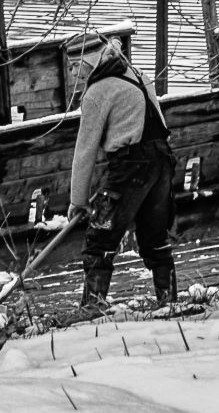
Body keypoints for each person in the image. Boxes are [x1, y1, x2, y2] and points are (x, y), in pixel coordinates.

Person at [63, 40, 177, 309]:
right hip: (162, 162)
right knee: (155, 238)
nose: (71, 74)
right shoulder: (139, 75)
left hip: (130, 167)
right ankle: (169, 302)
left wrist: (78, 200)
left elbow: (85, 151)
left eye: (74, 66)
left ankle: (91, 308)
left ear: (88, 63)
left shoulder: (97, 92)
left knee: (99, 239)